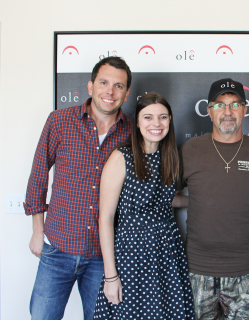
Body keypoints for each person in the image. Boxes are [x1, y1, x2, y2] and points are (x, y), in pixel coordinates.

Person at [24, 56, 132, 320]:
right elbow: (38, 175)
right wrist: (38, 231)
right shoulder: (59, 121)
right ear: (90, 86)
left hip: (103, 254)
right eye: (104, 82)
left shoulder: (133, 131)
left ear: (127, 93)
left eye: (118, 86)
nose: (110, 91)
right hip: (57, 247)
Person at [92, 92, 195, 319]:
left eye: (163, 117)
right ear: (137, 122)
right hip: (133, 254)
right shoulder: (121, 158)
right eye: (148, 117)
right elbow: (106, 219)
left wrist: (203, 201)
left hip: (167, 252)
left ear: (170, 121)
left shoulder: (169, 156)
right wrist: (111, 276)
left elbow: (165, 200)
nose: (156, 124)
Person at [179, 78, 249, 319]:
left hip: (246, 271)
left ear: (244, 109)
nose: (227, 112)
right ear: (209, 111)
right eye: (219, 105)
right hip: (197, 270)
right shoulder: (190, 149)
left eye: (234, 104)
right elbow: (168, 196)